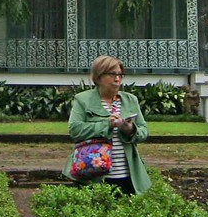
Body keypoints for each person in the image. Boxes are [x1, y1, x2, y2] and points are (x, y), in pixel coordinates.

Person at [64, 54, 151, 195]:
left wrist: (130, 129)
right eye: (112, 74)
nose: (117, 79)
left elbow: (144, 131)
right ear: (98, 77)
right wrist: (107, 125)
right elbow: (75, 129)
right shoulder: (83, 100)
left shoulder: (130, 100)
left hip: (127, 175)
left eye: (120, 75)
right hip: (94, 173)